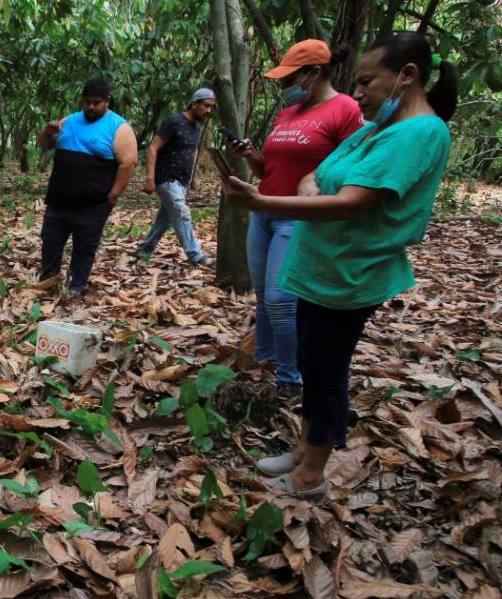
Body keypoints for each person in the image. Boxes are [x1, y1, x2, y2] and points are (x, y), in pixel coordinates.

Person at [224, 32, 457, 498]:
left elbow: (350, 202)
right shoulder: (377, 129)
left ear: (407, 76)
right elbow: (318, 171)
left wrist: (265, 200)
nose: (359, 93)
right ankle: (302, 451)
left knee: (327, 372)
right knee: (313, 363)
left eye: (368, 81)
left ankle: (311, 476)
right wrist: (309, 186)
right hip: (320, 265)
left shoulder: (421, 132)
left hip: (350, 273)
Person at [229, 40, 364, 398]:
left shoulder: (345, 110)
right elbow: (269, 169)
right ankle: (265, 362)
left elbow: (352, 163)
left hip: (298, 217)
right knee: (262, 296)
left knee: (280, 298)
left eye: (289, 78)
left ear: (314, 73)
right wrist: (252, 156)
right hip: (265, 210)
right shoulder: (288, 114)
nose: (283, 86)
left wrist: (317, 181)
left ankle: (290, 379)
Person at [37, 77, 138, 296]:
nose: (91, 107)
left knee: (84, 247)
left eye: (97, 102)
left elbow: (128, 163)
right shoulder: (70, 121)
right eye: (87, 102)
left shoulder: (118, 127)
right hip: (59, 199)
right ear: (82, 101)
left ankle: (76, 286)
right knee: (51, 242)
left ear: (107, 101)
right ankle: (48, 281)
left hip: (93, 204)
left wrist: (113, 195)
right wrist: (47, 132)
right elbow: (45, 145)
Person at [138, 88, 218, 267]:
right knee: (182, 213)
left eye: (211, 107)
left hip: (181, 181)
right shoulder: (174, 122)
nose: (208, 111)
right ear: (195, 103)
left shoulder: (195, 128)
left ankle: (144, 250)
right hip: (166, 178)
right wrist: (150, 178)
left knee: (165, 219)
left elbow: (193, 152)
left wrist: (191, 179)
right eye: (206, 106)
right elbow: (152, 148)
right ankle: (195, 255)